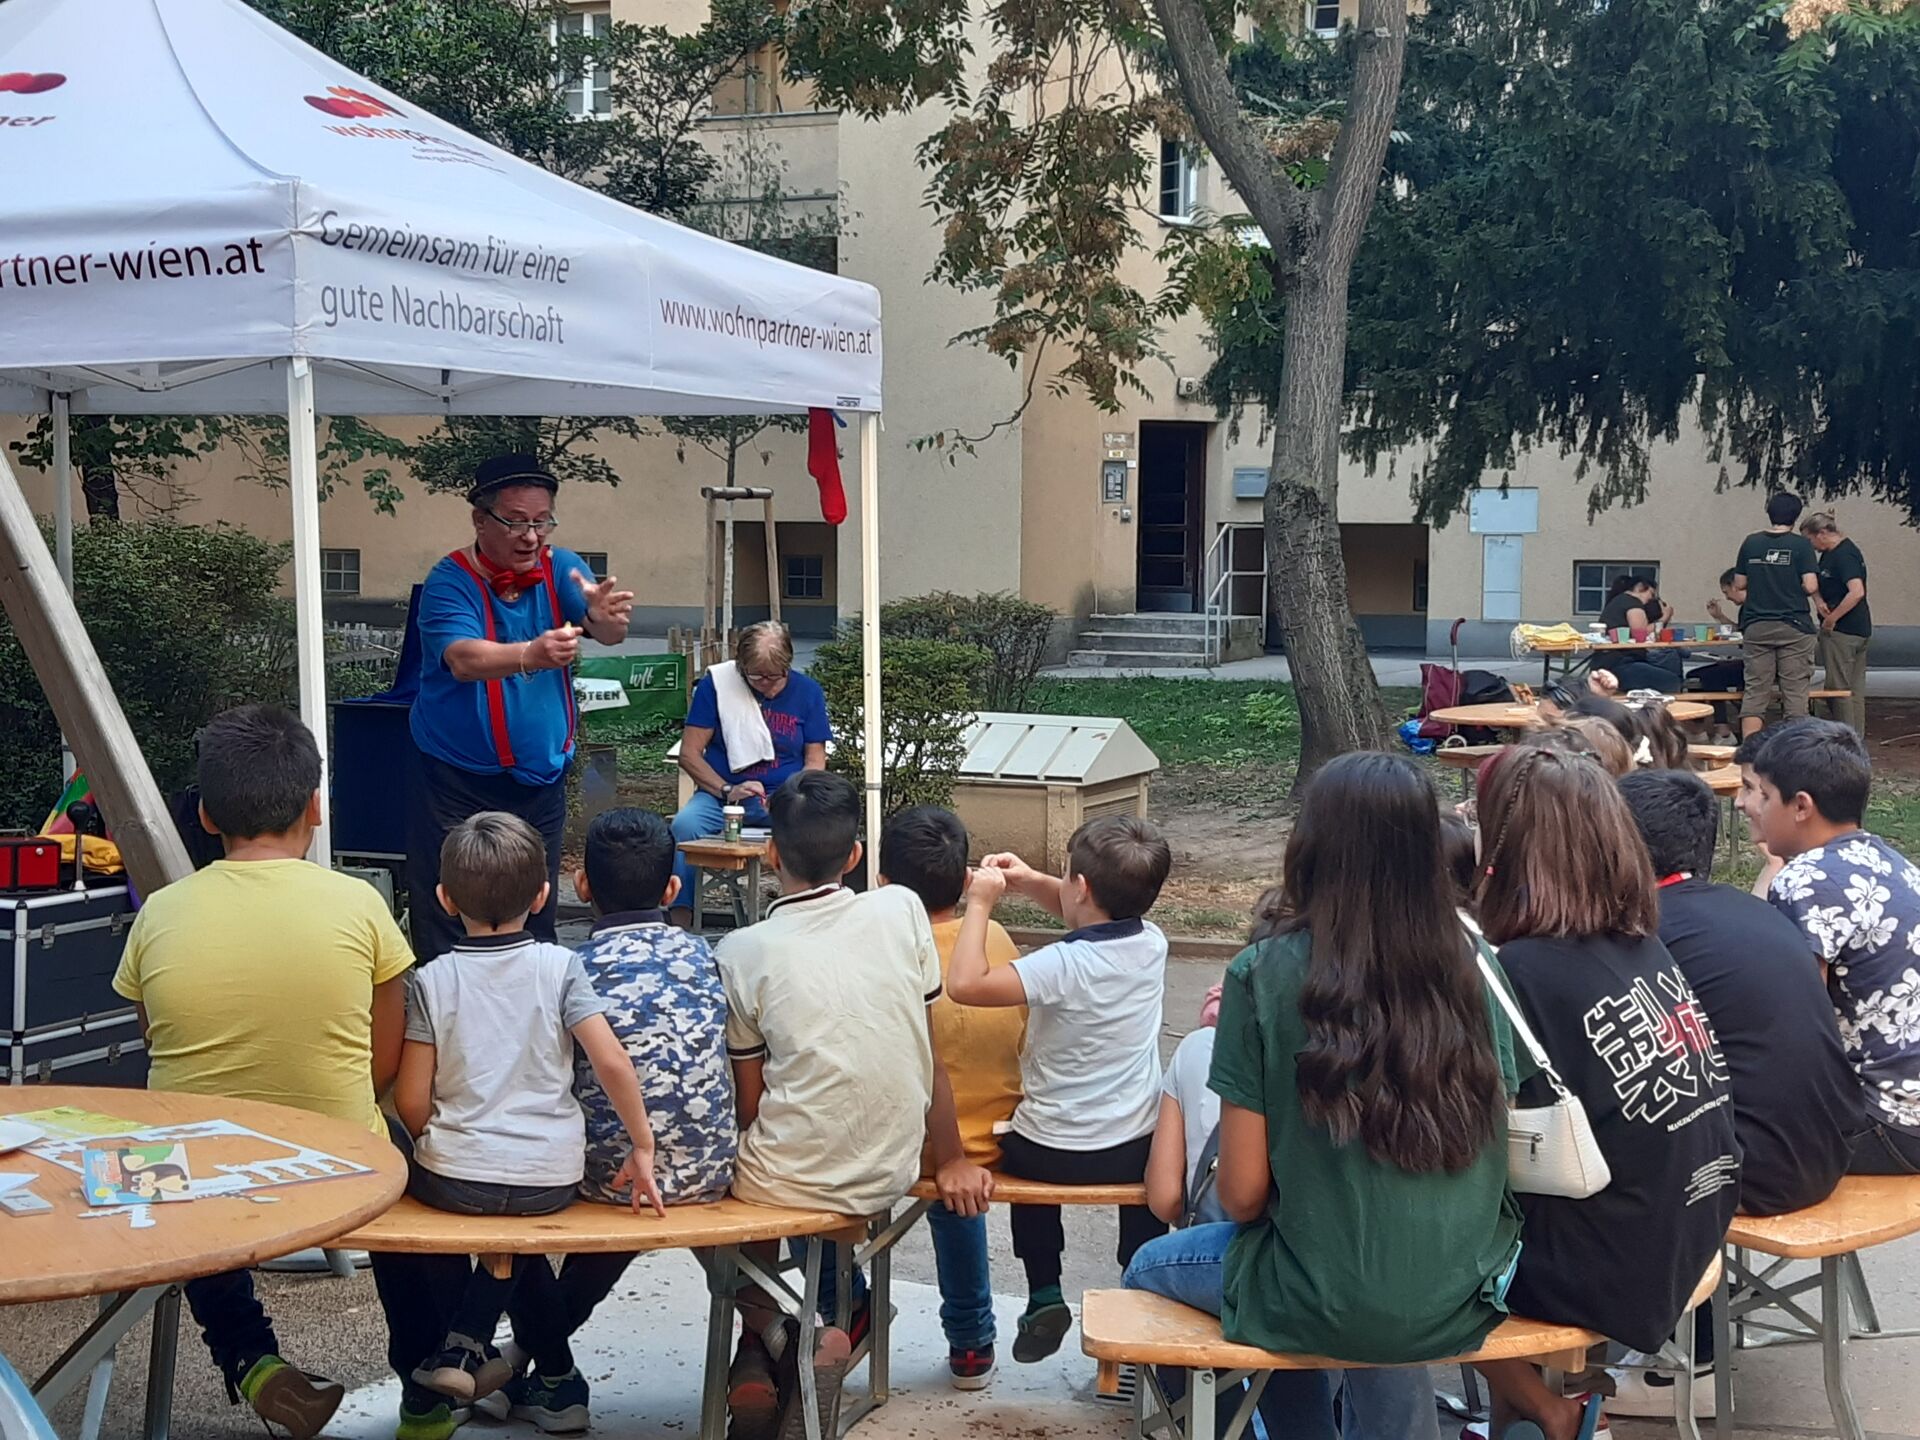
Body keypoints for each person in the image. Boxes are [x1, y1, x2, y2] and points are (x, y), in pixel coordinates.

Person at [1124, 753, 1522, 1440]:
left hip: (1325, 1289)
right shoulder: (1478, 962)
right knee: (1346, 1288)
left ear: (1310, 844)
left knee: (1149, 1268)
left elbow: (1242, 1196)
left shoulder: (1263, 972)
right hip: (1467, 1285)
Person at [110, 706, 451, 1440]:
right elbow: (385, 1053)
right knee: (404, 1168)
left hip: (188, 1172)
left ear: (207, 816)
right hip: (334, 1161)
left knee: (178, 1180)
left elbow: (158, 1038)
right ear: (315, 809)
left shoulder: (159, 913)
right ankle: (426, 1389)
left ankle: (253, 1360)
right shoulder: (360, 903)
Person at [1473, 749, 1740, 1440]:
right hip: (1692, 1221)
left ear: (1506, 846)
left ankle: (1543, 1412)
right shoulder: (1642, 944)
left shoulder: (1520, 969)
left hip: (1614, 1264)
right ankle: (1531, 1411)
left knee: (1407, 1257)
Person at [715, 771, 981, 1435]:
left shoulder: (741, 951)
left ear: (770, 854)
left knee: (710, 1190)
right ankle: (777, 1349)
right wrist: (951, 1155)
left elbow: (750, 1103)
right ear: (856, 856)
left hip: (790, 1174)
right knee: (781, 1156)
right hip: (891, 1163)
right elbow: (926, 1049)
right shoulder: (902, 910)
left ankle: (775, 1331)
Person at [395, 812, 666, 1407]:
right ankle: (541, 1376)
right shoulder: (562, 968)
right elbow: (613, 1062)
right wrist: (642, 1145)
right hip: (550, 1177)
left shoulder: (432, 981)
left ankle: (464, 1348)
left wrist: (443, 1143)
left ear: (444, 900)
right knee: (516, 1228)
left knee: (475, 1211)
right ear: (543, 896)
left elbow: (411, 1099)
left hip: (457, 1177)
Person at [499, 808, 736, 1431]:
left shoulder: (569, 968)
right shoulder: (708, 955)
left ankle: (523, 1362)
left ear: (581, 886)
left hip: (613, 1173)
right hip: (710, 1166)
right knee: (631, 1197)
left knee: (509, 1208)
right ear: (672, 889)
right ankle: (527, 1366)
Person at [949, 816, 1173, 1363]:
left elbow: (966, 984)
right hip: (1132, 1150)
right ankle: (1137, 1284)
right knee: (1152, 1148)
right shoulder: (1153, 943)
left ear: (1081, 886)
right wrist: (1030, 881)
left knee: (1021, 1140)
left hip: (1049, 1154)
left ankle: (1044, 1291)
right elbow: (1090, 909)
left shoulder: (1059, 964)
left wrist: (980, 904)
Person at [407, 453, 635, 959]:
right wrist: (532, 654)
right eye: (515, 522)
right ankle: (443, 1001)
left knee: (535, 903)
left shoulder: (562, 567)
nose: (531, 536)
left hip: (541, 777)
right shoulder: (449, 579)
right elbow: (463, 660)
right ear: (480, 519)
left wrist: (605, 618)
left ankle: (532, 996)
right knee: (449, 904)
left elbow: (608, 631)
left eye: (541, 522)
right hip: (456, 777)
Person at [1618, 768, 1860, 1217]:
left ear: (1619, 847)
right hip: (1830, 1150)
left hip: (1751, 1175)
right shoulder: (1748, 909)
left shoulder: (1644, 936)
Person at [878, 806, 1026, 1388]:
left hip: (908, 1149)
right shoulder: (995, 938)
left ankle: (845, 1306)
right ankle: (971, 1342)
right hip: (998, 1141)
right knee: (957, 1196)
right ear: (966, 881)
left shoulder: (882, 950)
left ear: (882, 883)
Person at [1734, 719, 1920, 1174]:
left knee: (1705, 1140)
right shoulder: (1891, 862)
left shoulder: (1806, 881)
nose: (1745, 804)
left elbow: (1792, 1026)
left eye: (1761, 794)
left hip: (1884, 1122)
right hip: (1908, 1113)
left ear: (1801, 806)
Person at [671, 623, 831, 926]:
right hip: (723, 799)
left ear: (788, 666)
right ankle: (681, 920)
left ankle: (808, 918)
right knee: (686, 825)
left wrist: (789, 796)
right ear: (741, 668)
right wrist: (727, 789)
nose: (766, 684)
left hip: (785, 799)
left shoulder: (808, 692)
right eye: (756, 676)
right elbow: (689, 754)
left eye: (774, 677)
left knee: (817, 830)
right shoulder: (718, 687)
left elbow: (815, 761)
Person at [1731, 491, 1820, 737]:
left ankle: (1749, 748)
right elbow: (1811, 585)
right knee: (1795, 693)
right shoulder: (1801, 545)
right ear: (1796, 516)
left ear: (1769, 512)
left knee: (1755, 691)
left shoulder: (1751, 543)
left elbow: (1739, 584)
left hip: (1757, 624)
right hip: (1794, 626)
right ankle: (1794, 749)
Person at [1800, 512, 1871, 736]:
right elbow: (1816, 583)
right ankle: (1855, 736)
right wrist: (1818, 600)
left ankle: (1847, 736)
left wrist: (1833, 618)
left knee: (1839, 689)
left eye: (1810, 539)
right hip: (1851, 628)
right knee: (1851, 688)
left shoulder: (1844, 555)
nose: (1811, 546)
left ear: (1822, 533)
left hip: (1844, 630)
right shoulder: (1829, 555)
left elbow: (1856, 592)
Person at [1596, 574, 1682, 692]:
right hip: (1620, 664)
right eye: (1651, 594)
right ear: (1640, 587)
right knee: (1671, 682)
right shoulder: (1632, 603)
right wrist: (1664, 618)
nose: (1651, 599)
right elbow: (1641, 633)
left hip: (1611, 662)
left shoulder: (1619, 601)